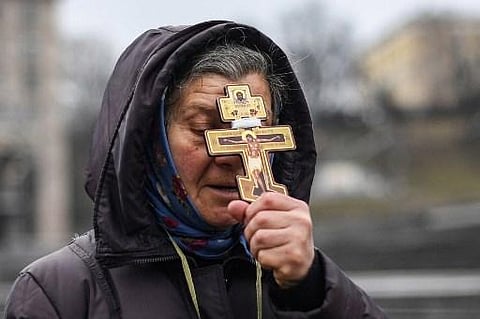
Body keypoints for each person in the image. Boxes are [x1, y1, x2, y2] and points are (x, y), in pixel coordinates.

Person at [4, 21, 387, 318]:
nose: (236, 156)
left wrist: (309, 287)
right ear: (149, 141)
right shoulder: (60, 293)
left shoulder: (301, 275)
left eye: (258, 131)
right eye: (205, 130)